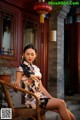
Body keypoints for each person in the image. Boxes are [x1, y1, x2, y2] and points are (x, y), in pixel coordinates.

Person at [14, 44, 76, 120]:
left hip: (41, 97)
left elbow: (41, 87)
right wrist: (16, 84)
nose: (30, 56)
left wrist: (51, 97)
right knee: (61, 103)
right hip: (32, 100)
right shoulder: (21, 68)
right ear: (23, 55)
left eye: (32, 54)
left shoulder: (36, 68)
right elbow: (17, 83)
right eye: (27, 54)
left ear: (35, 55)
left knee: (64, 109)